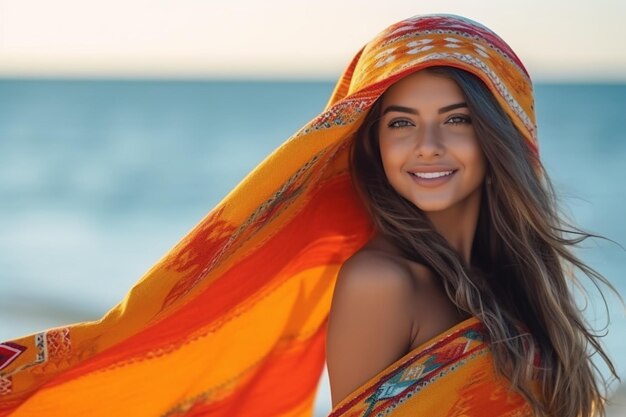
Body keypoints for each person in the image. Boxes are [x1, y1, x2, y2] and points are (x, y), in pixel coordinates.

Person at [0, 12, 619, 417]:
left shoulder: (520, 286)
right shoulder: (382, 284)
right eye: (400, 124)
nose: (426, 145)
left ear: (501, 135)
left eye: (455, 120)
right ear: (373, 145)